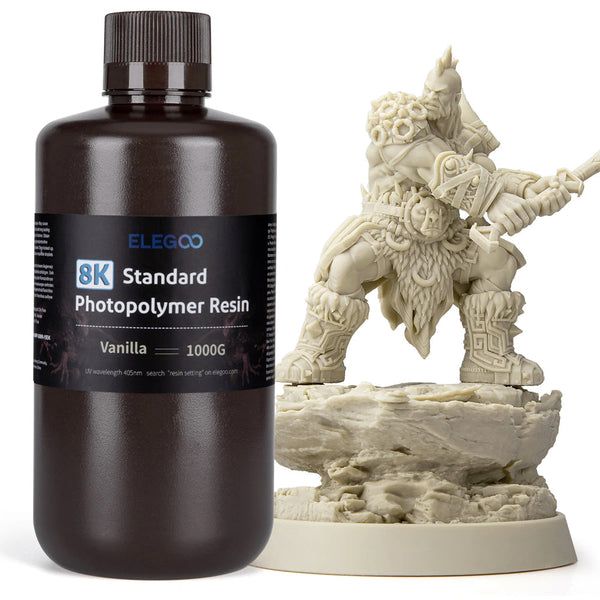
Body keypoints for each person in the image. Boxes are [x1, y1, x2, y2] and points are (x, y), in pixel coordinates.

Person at [276, 48, 576, 386]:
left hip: (447, 238)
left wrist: (533, 189)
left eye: (442, 94)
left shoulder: (461, 138)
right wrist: (493, 198)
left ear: (456, 98)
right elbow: (432, 165)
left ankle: (489, 357)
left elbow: (490, 172)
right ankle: (317, 353)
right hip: (389, 230)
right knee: (345, 266)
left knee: (499, 262)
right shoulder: (398, 124)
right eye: (429, 91)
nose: (432, 99)